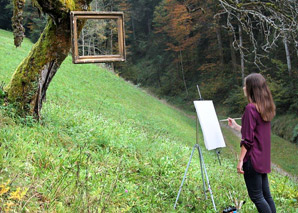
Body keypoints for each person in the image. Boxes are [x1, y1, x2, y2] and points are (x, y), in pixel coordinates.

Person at [227, 73, 276, 213]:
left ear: (251, 88)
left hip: (253, 160)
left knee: (257, 196)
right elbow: (254, 132)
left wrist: (240, 160)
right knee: (266, 196)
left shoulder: (250, 108)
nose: (243, 88)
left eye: (245, 85)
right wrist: (236, 127)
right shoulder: (265, 107)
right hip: (263, 159)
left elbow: (247, 140)